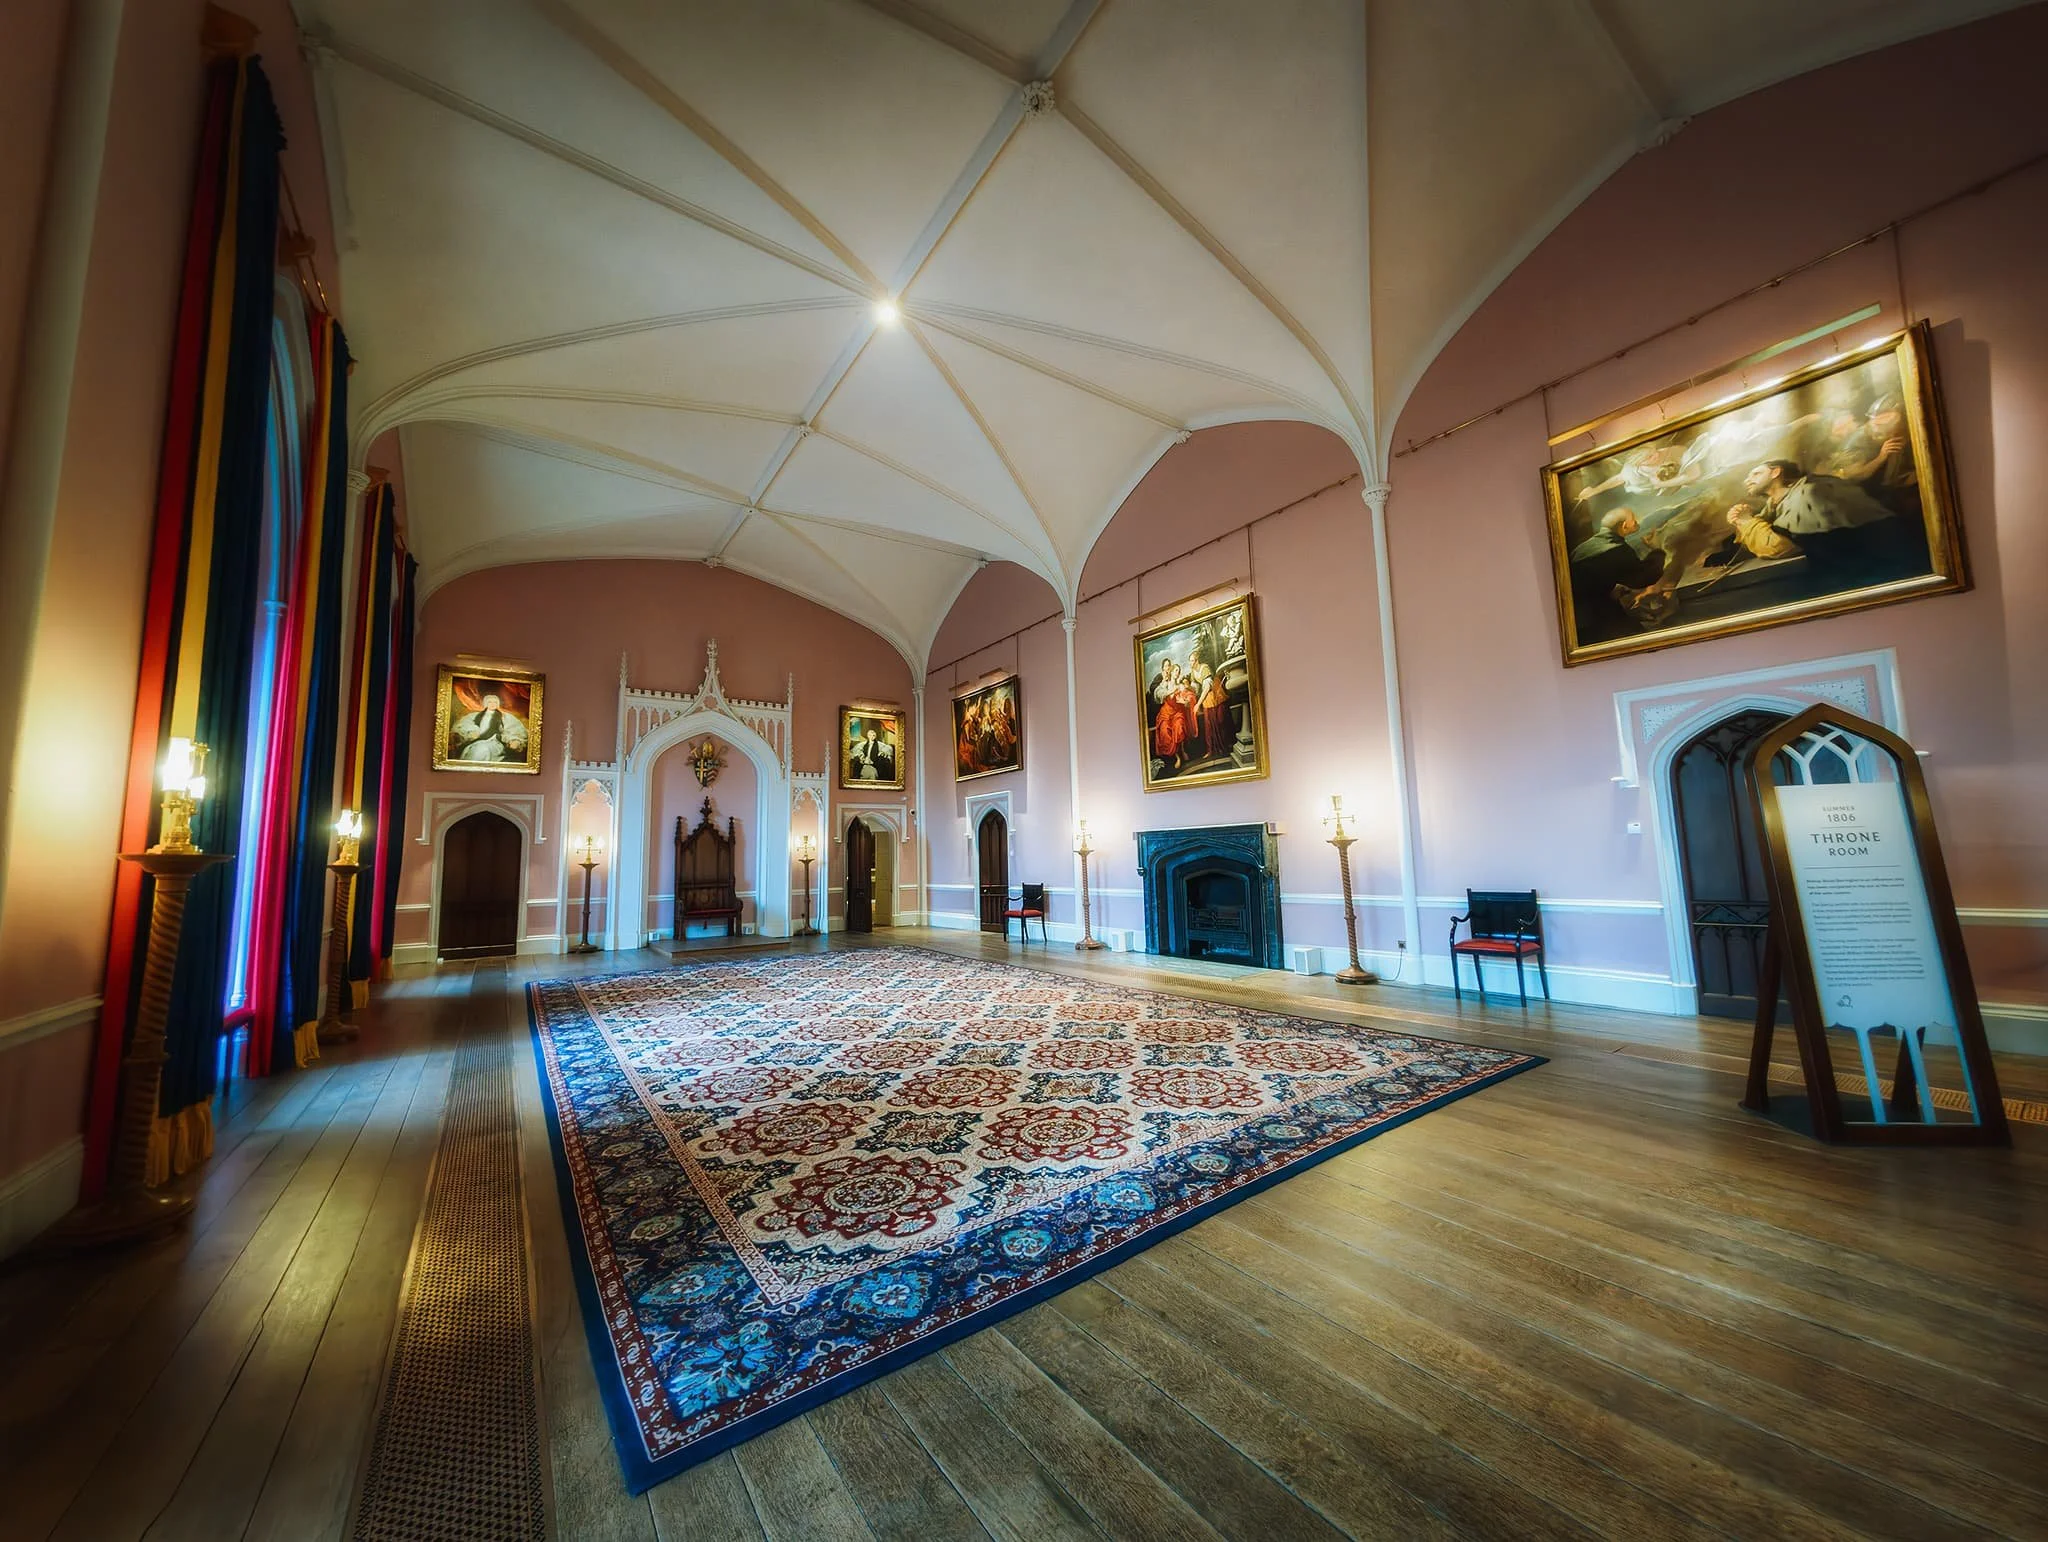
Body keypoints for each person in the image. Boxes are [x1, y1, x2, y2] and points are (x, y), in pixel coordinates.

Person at [1568, 507, 1664, 644]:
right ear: (1624, 526)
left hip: (1577, 620)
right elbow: (1645, 577)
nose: (1637, 523)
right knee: (1640, 640)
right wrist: (1657, 550)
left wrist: (1610, 589)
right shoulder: (1618, 550)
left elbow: (1590, 580)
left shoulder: (1580, 549)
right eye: (1634, 521)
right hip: (1597, 618)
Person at [450, 691, 528, 763]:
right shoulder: (475, 716)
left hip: (494, 743)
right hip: (476, 742)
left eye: (495, 702)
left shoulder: (505, 717)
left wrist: (513, 740)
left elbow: (513, 729)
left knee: (483, 750)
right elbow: (464, 725)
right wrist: (472, 732)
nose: (492, 704)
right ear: (486, 703)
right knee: (475, 751)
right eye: (490, 702)